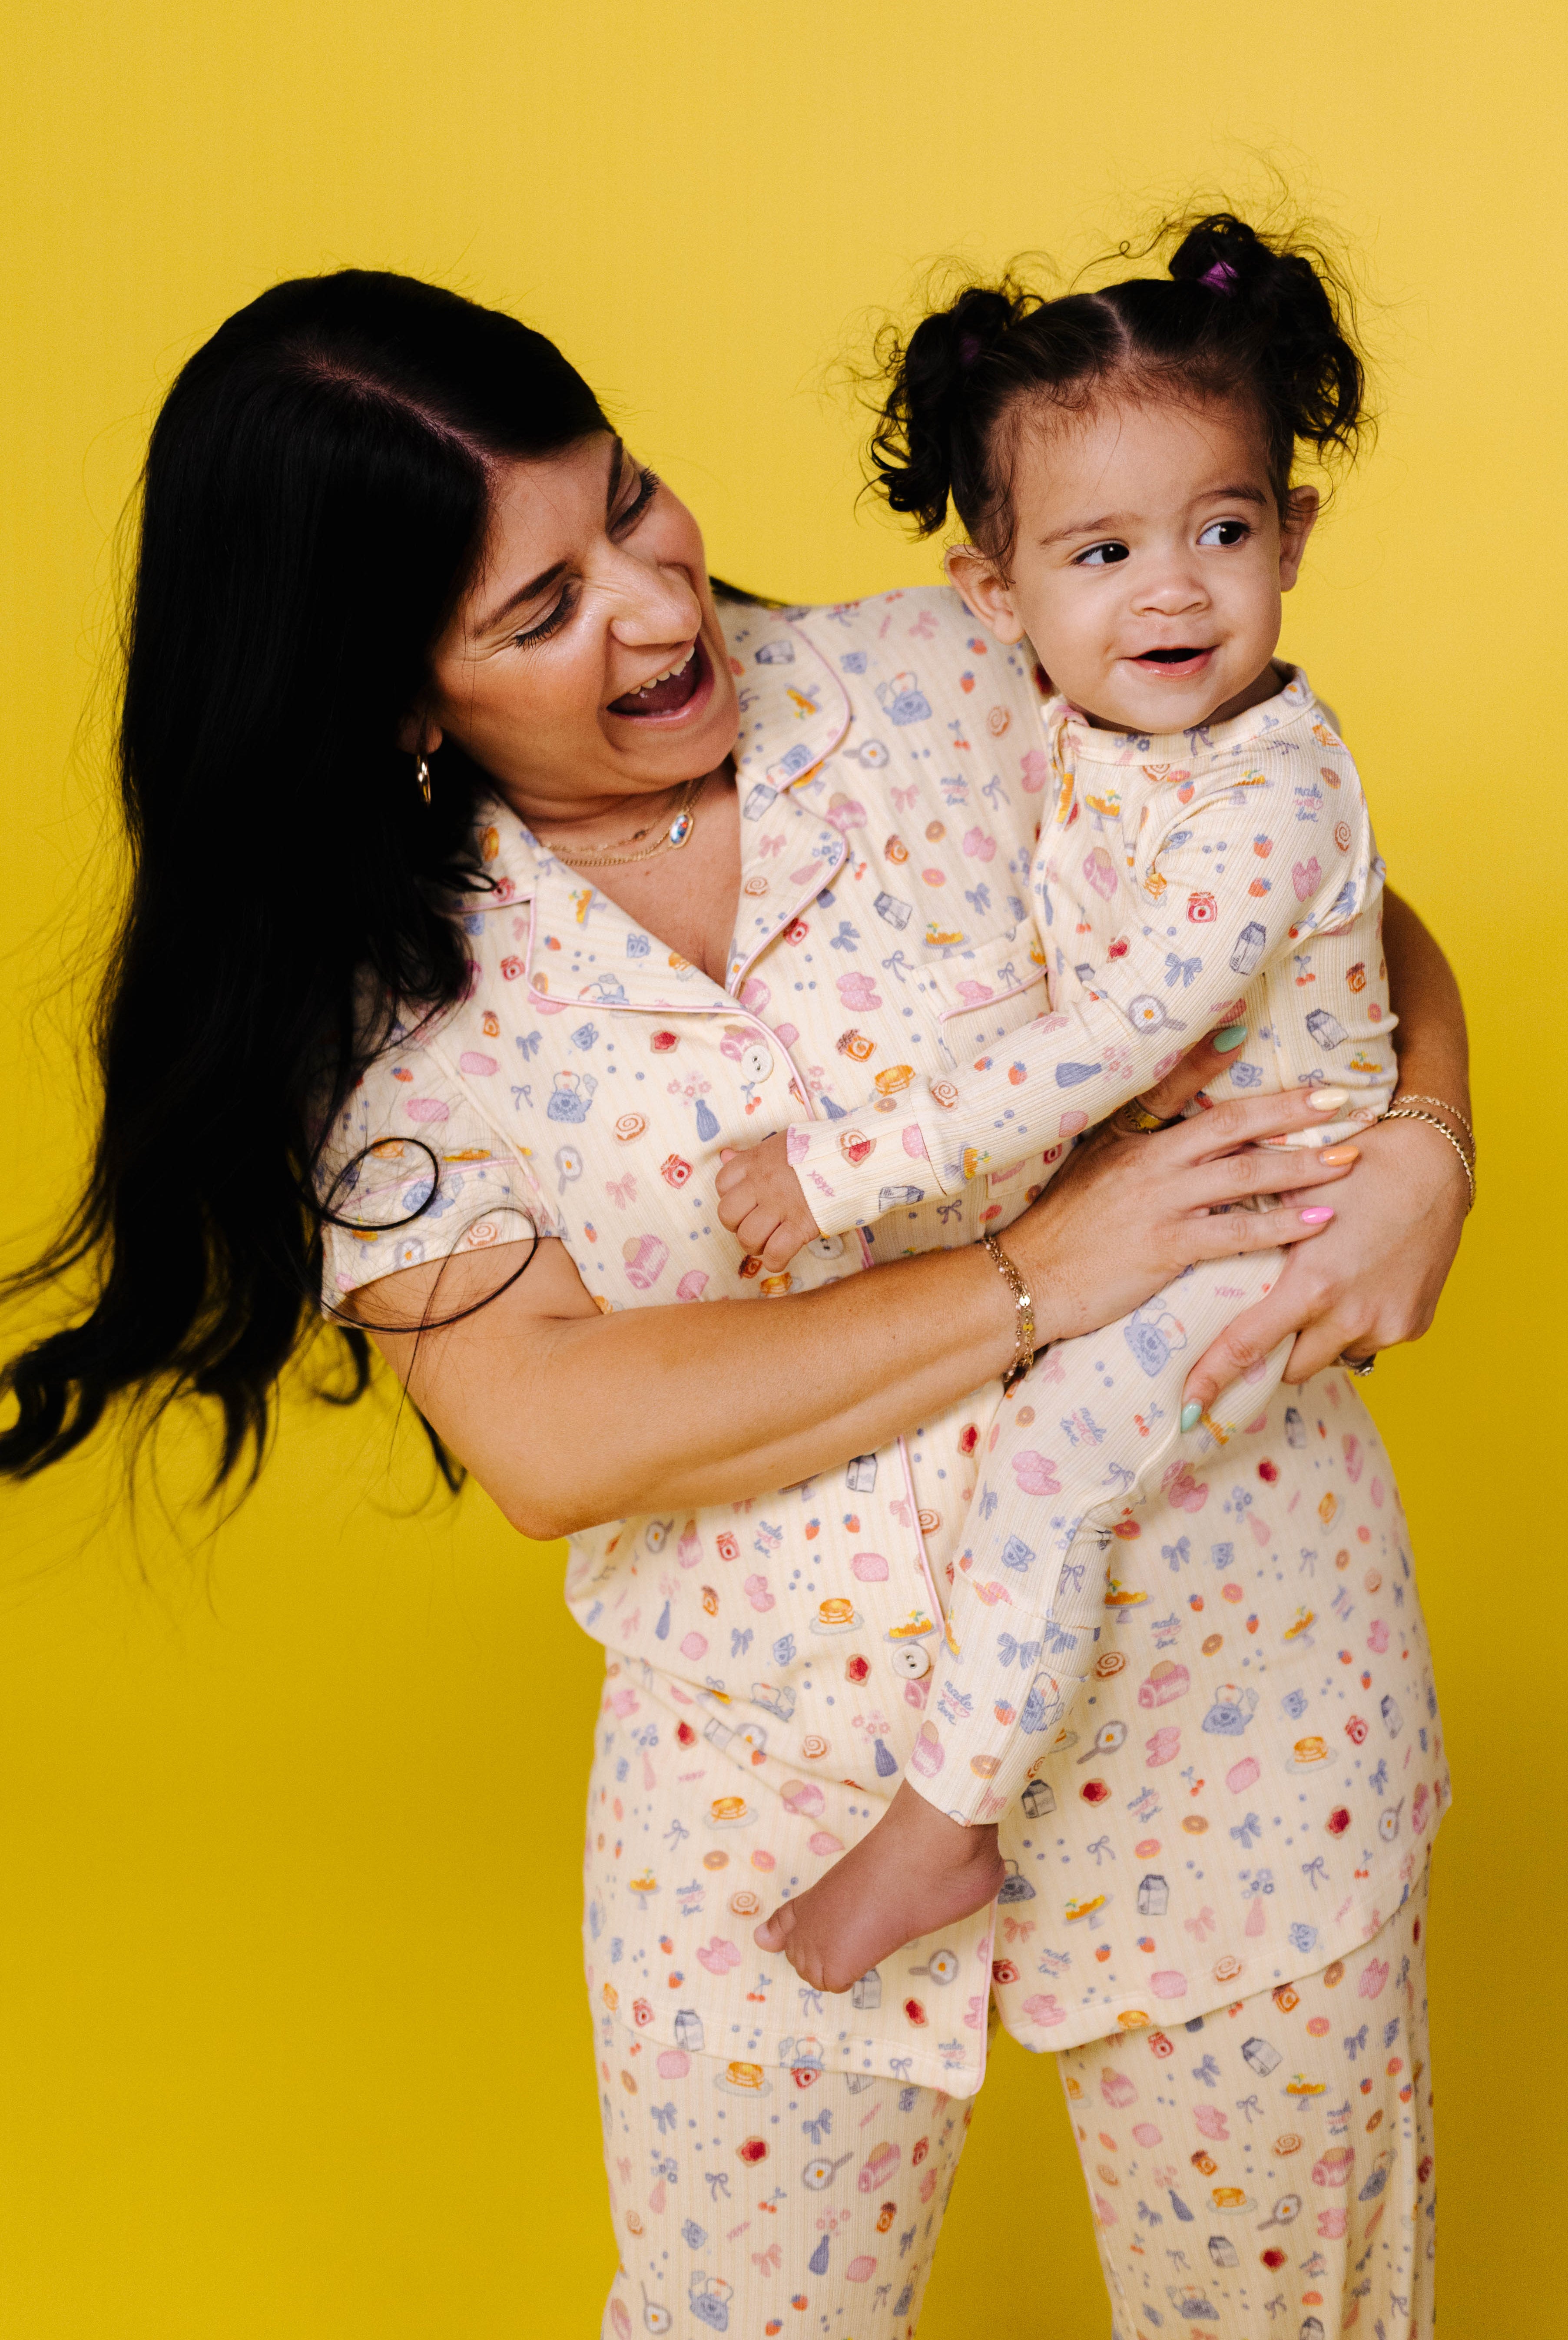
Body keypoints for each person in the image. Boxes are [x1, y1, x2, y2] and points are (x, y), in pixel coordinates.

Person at [0, 267, 1469, 2339]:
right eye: (542, 610)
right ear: (391, 700)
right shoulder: (393, 1033)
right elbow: (559, 1434)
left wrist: (1429, 1141)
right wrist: (1036, 1275)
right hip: (775, 1787)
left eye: (632, 504)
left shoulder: (954, 671)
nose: (659, 605)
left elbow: (1307, 880)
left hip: (1238, 1703)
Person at [713, 217, 1474, 2052]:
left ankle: (941, 1824)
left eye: (1223, 534)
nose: (1172, 597)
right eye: (1104, 554)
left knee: (1048, 1470)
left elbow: (1108, 1038)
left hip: (1265, 1211)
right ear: (998, 596)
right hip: (1180, 1180)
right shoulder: (1084, 716)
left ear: (1294, 538)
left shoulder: (1262, 796)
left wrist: (840, 1166)